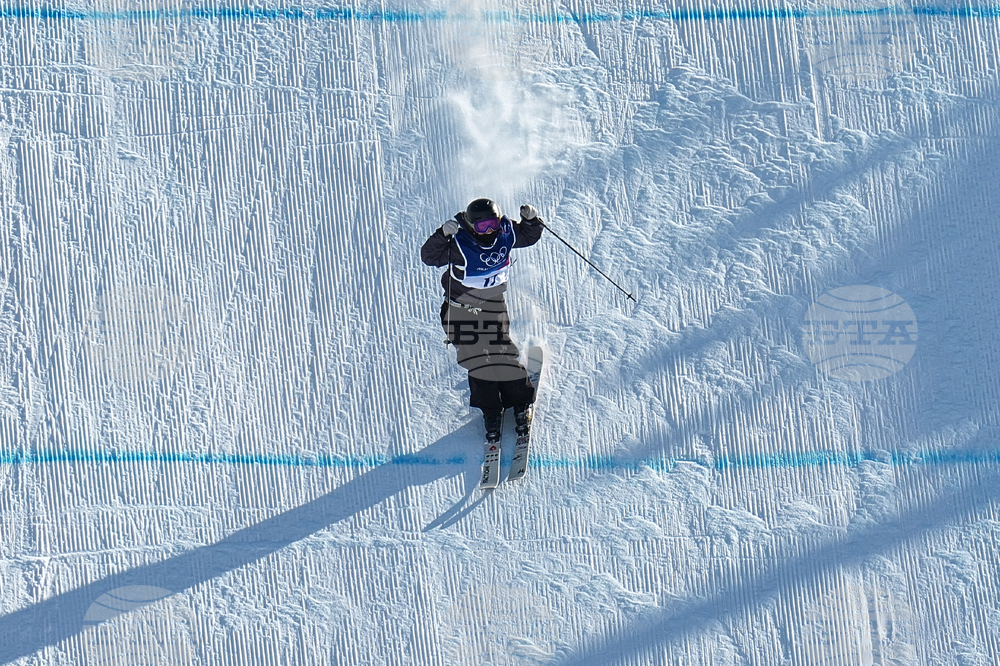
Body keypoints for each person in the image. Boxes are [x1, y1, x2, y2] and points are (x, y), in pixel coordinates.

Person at [421, 198, 544, 442]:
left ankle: (520, 403)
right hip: (459, 311)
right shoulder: (459, 243)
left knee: (501, 353)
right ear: (470, 226)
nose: (488, 231)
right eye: (482, 227)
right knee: (477, 360)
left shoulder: (504, 234)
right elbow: (429, 256)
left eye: (492, 224)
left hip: (492, 305)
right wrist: (441, 235)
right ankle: (491, 411)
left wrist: (532, 221)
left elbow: (528, 237)